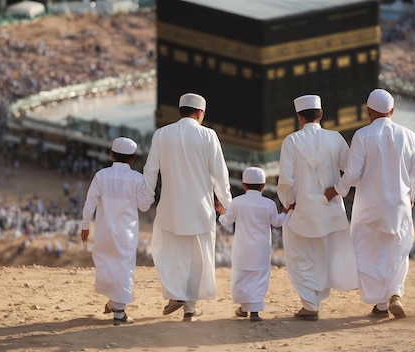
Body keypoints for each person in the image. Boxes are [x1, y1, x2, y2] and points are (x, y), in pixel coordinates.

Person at [325, 88, 415, 319]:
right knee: (397, 250)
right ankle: (395, 293)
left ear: (369, 112)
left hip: (368, 206)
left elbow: (353, 172)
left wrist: (337, 190)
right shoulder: (409, 136)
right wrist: (411, 196)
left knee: (368, 253)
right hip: (398, 204)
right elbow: (414, 174)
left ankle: (380, 304)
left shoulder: (362, 135)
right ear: (392, 111)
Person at [142, 93, 233, 322]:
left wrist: (145, 199)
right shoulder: (208, 135)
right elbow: (220, 175)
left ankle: (177, 294)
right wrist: (227, 204)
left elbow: (150, 170)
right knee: (197, 258)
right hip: (200, 209)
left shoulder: (161, 134)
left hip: (170, 209)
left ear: (179, 111)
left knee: (169, 253)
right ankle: (189, 307)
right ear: (200, 113)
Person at [277, 94, 359, 321]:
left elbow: (286, 181)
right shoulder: (335, 138)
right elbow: (351, 170)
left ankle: (310, 304)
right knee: (325, 257)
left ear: (299, 117)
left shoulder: (291, 141)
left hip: (303, 211)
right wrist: (339, 190)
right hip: (331, 210)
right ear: (321, 114)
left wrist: (288, 203)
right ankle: (316, 300)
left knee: (300, 257)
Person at [80, 137, 154, 325]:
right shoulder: (138, 179)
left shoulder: (101, 175)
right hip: (126, 234)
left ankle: (113, 302)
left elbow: (90, 202)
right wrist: (150, 189)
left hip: (104, 232)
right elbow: (144, 206)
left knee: (107, 266)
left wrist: (85, 226)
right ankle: (119, 313)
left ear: (111, 154)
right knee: (124, 269)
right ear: (133, 159)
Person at [215, 167, 287, 322]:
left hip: (242, 249)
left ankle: (243, 308)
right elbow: (277, 222)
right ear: (263, 185)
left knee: (242, 276)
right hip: (261, 249)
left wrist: (221, 211)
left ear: (243, 185)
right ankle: (254, 312)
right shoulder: (269, 204)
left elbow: (227, 221)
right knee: (259, 277)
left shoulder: (237, 202)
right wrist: (287, 211)